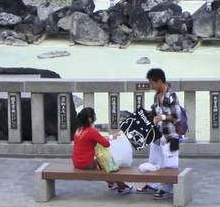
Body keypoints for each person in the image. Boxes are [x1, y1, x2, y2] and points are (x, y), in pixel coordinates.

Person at [139, 67, 186, 199]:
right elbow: (155, 110)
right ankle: (152, 184)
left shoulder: (172, 96)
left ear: (159, 81)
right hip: (157, 135)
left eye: (152, 83)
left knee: (169, 164)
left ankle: (167, 189)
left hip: (170, 136)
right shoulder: (157, 95)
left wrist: (163, 117)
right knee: (154, 160)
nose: (151, 86)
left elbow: (177, 116)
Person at [71, 107, 129, 193]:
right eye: (94, 115)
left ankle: (111, 183)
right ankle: (122, 187)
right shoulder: (91, 131)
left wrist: (111, 137)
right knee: (108, 164)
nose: (95, 116)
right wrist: (111, 139)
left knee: (100, 163)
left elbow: (95, 138)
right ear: (90, 119)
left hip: (77, 162)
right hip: (87, 164)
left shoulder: (79, 130)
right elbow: (106, 144)